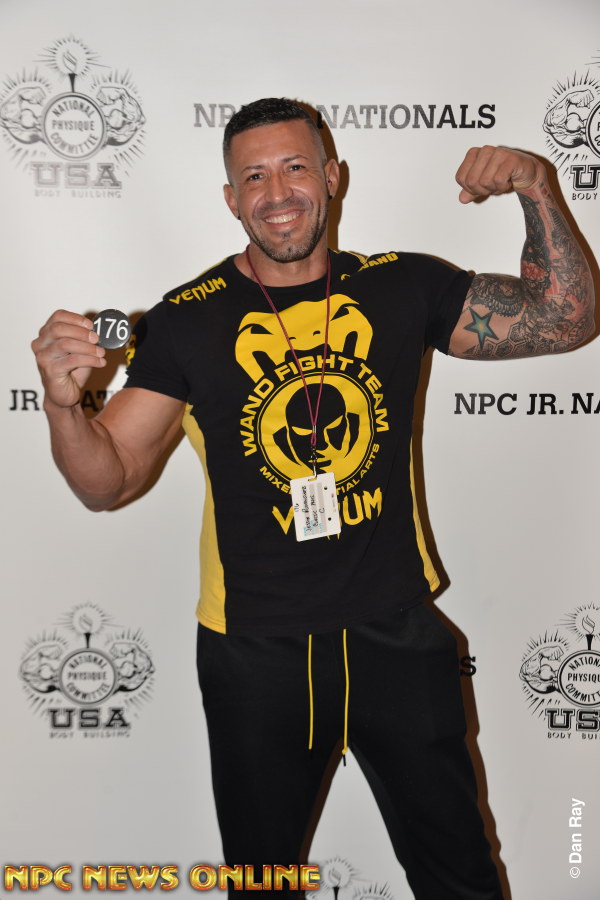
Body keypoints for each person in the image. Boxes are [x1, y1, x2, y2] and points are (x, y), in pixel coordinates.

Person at [32, 98, 594, 899]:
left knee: (461, 879)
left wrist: (538, 187)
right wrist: (64, 406)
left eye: (295, 167)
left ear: (332, 177)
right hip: (254, 650)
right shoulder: (183, 323)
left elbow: (566, 320)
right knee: (262, 886)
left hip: (397, 634)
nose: (277, 193)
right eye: (253, 176)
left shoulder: (402, 285)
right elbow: (108, 479)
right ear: (231, 198)